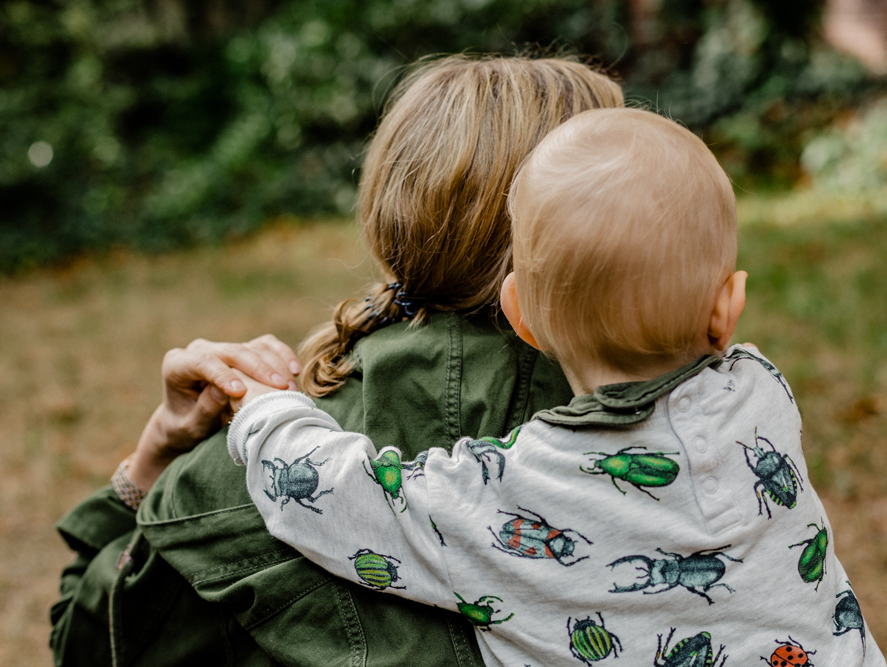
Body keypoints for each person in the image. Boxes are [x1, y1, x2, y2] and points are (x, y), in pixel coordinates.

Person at [225, 108, 887, 667]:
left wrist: (267, 409)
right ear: (729, 303)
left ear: (521, 315)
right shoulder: (767, 395)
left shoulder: (512, 489)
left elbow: (337, 499)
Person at [51, 55, 624, 666]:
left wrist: (154, 456)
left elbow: (85, 645)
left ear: (391, 202)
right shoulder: (702, 433)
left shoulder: (237, 473)